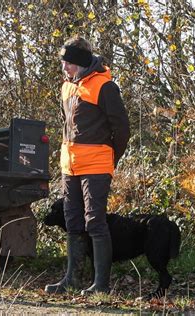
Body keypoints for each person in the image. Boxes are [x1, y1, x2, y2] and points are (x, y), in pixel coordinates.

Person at [45, 35, 130, 295]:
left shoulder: (105, 87)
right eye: (63, 62)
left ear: (81, 62)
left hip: (96, 165)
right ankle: (72, 279)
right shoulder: (66, 87)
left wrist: (110, 159)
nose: (64, 67)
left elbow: (122, 129)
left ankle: (101, 285)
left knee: (95, 222)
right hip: (69, 166)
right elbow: (65, 126)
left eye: (68, 62)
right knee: (72, 222)